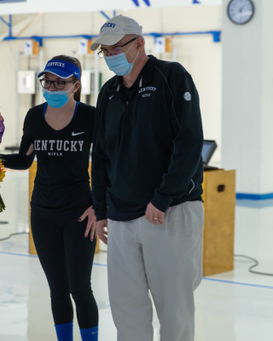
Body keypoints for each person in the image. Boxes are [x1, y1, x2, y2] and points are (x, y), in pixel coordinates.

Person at [90, 15, 205, 341]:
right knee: (127, 309)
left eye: (116, 48)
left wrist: (163, 197)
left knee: (175, 310)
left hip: (169, 212)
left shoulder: (172, 76)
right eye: (105, 51)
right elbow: (100, 156)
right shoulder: (108, 92)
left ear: (139, 43)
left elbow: (189, 142)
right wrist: (100, 211)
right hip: (122, 216)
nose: (110, 55)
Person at [2, 56, 99, 341]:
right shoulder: (34, 116)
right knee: (57, 287)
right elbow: (24, 160)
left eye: (60, 82)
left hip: (80, 212)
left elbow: (108, 162)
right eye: (47, 81)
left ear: (76, 85)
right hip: (43, 211)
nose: (52, 87)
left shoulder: (90, 116)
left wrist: (98, 205)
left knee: (80, 286)